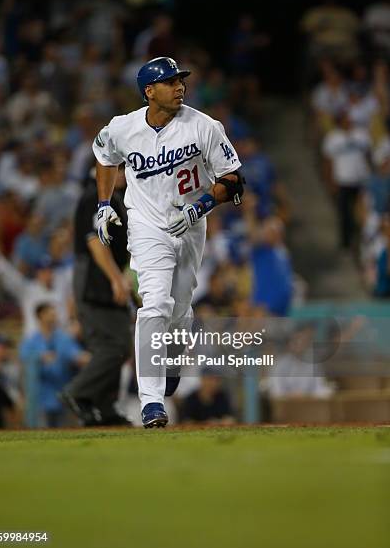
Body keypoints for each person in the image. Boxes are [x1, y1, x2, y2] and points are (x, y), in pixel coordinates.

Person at [93, 56, 244, 428]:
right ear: (149, 91)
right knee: (154, 303)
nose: (180, 86)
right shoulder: (123, 127)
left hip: (190, 225)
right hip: (146, 226)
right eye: (170, 81)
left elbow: (234, 179)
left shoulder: (204, 126)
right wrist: (102, 204)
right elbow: (103, 156)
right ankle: (151, 403)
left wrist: (202, 206)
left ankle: (174, 351)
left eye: (181, 81)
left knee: (178, 311)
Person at [60, 166, 132, 426]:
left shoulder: (112, 197)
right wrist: (115, 278)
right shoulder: (96, 196)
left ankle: (103, 405)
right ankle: (79, 393)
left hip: (104, 276)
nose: (126, 173)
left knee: (120, 342)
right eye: (121, 167)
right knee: (112, 344)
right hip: (95, 278)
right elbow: (95, 241)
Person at [20, 303, 90, 428]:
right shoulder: (31, 340)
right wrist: (39, 357)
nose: (54, 315)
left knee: (63, 432)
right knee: (40, 432)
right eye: (49, 312)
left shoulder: (62, 338)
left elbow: (76, 355)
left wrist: (95, 360)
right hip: (40, 397)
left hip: (61, 395)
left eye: (54, 312)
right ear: (40, 316)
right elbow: (24, 360)